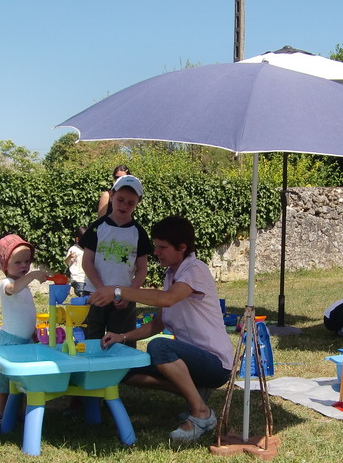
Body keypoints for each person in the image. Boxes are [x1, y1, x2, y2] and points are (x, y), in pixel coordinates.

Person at [88, 215, 233, 443]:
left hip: (215, 364)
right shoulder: (171, 274)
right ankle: (196, 394)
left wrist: (119, 290)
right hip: (189, 361)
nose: (156, 252)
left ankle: (201, 413)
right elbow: (159, 323)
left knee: (159, 347)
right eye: (156, 246)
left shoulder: (195, 269)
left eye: (162, 247)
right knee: (127, 369)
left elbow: (167, 299)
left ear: (182, 247)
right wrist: (123, 337)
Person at [81, 174, 151, 344]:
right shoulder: (97, 227)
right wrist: (102, 290)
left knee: (124, 344)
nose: (124, 205)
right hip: (96, 295)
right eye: (120, 199)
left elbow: (142, 269)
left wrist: (129, 294)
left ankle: (125, 372)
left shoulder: (139, 233)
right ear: (112, 195)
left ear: (137, 203)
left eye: (130, 203)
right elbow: (87, 262)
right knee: (92, 343)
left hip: (124, 300)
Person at [0, 234, 48, 423]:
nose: (24, 266)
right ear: (4, 266)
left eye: (27, 261)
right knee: (5, 383)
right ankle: (2, 414)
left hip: (25, 341)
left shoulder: (23, 285)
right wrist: (32, 276)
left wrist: (33, 330)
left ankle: (20, 413)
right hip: (11, 342)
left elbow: (24, 311)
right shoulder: (6, 283)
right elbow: (12, 289)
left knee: (23, 380)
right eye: (18, 262)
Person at [65, 226, 88, 298]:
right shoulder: (74, 249)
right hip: (77, 279)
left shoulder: (88, 250)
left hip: (86, 279)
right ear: (77, 239)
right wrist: (70, 257)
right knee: (82, 295)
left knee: (87, 297)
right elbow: (66, 262)